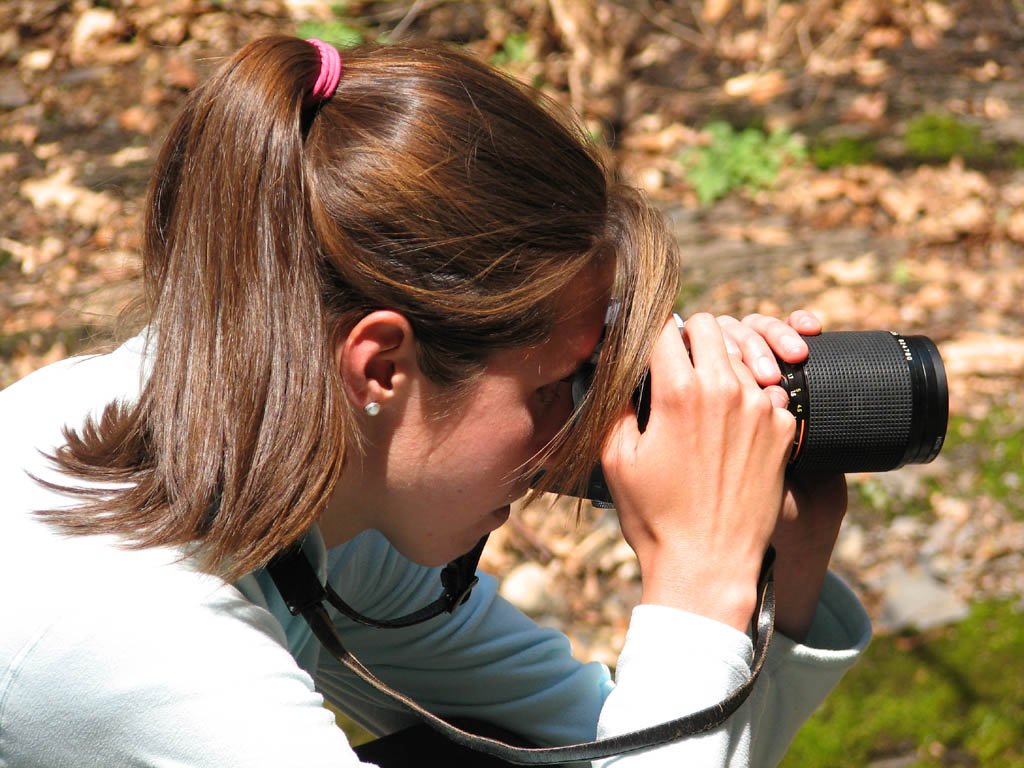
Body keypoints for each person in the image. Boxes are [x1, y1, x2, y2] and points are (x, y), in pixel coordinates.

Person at [0, 35, 870, 767]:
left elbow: (615, 741)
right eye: (549, 388)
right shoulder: (131, 636)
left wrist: (767, 570)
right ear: (380, 368)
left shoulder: (300, 457)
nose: (572, 435)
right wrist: (697, 574)